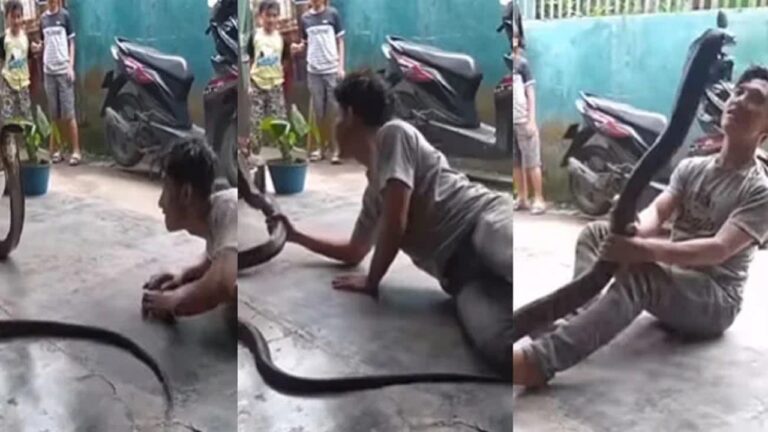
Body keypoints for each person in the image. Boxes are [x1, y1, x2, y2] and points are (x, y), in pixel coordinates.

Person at [513, 66, 768, 387]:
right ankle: (580, 315)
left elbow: (718, 250)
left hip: (714, 297)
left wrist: (642, 250)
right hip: (676, 273)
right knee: (597, 234)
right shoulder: (692, 167)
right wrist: (633, 230)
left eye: (756, 99)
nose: (739, 100)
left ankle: (539, 363)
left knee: (641, 275)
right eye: (739, 92)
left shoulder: (759, 189)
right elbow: (658, 212)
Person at [270, 70, 513, 378]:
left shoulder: (394, 134)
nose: (332, 126)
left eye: (336, 115)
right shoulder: (374, 192)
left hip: (482, 220)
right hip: (462, 278)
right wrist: (294, 235)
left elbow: (395, 223)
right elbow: (354, 251)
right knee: (499, 344)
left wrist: (372, 280)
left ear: (352, 116)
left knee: (511, 261)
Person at [141, 140, 237, 320]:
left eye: (166, 190)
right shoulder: (217, 217)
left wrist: (174, 301)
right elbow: (215, 258)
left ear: (186, 193)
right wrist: (183, 275)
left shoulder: (230, 208)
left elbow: (223, 282)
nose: (160, 203)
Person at [291, 0, 345, 164]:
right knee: (318, 112)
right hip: (313, 71)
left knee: (333, 112)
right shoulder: (305, 18)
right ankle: (320, 148)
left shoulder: (332, 14)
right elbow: (305, 44)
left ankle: (335, 149)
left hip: (331, 69)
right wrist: (297, 48)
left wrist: (340, 66)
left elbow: (340, 41)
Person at [246, 0, 289, 160]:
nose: (271, 20)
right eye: (267, 16)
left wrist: (278, 75)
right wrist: (251, 83)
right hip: (257, 85)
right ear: (260, 17)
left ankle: (286, 156)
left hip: (276, 87)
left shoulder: (282, 39)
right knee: (255, 125)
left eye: (274, 16)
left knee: (280, 123)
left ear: (278, 18)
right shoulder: (254, 36)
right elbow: (251, 59)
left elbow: (285, 59)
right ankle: (253, 158)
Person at [41, 0, 81, 166]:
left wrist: (70, 67)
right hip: (48, 72)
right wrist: (38, 47)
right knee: (54, 115)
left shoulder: (65, 15)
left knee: (69, 114)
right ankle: (57, 150)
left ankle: (76, 150)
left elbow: (72, 42)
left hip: (63, 70)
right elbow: (44, 43)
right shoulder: (42, 18)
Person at [512, 28, 546, 214]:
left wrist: (531, 120)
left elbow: (530, 94)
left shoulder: (522, 65)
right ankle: (522, 197)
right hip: (510, 122)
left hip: (524, 120)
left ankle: (539, 198)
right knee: (516, 163)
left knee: (532, 162)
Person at [0, 0, 40, 124]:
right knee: (7, 121)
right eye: (13, 17)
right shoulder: (3, 39)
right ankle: (9, 143)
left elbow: (30, 60)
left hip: (23, 85)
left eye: (18, 17)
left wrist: (36, 51)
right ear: (7, 18)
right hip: (8, 84)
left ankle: (26, 143)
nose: (16, 21)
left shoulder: (25, 38)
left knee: (26, 119)